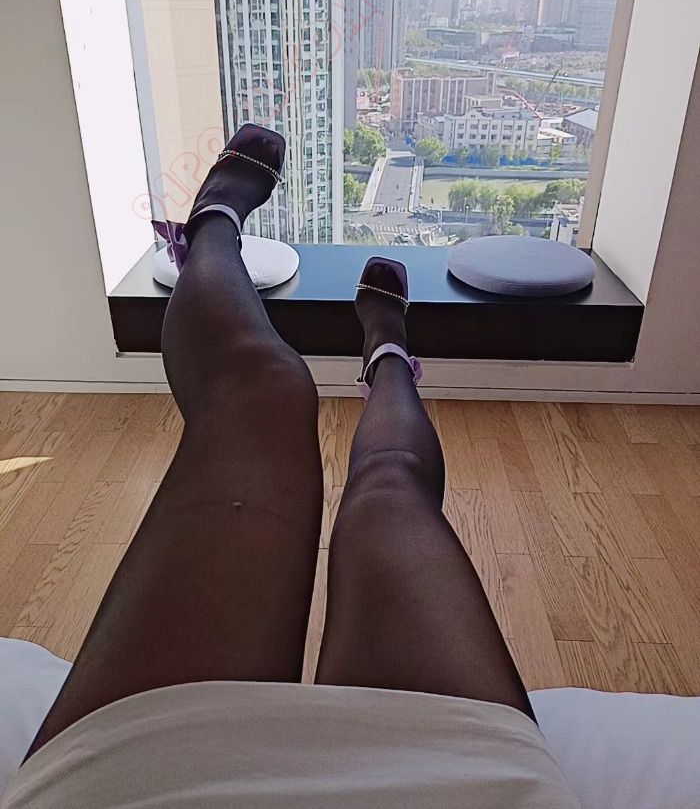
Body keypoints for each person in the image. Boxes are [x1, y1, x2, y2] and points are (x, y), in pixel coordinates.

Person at [2, 126, 579, 807]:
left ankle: (211, 229)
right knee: (391, 486)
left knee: (264, 390)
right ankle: (387, 351)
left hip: (143, 777)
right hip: (457, 780)